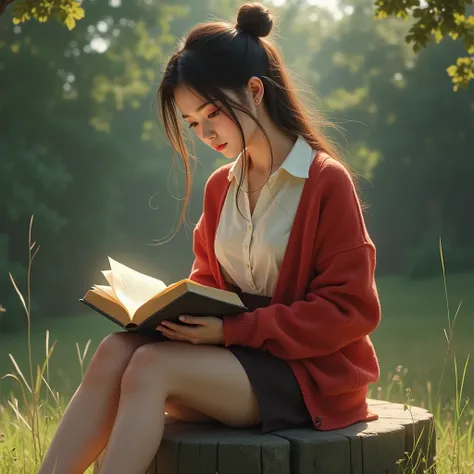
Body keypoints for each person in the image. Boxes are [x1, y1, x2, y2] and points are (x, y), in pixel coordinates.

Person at [38, 3, 381, 474]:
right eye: (192, 123)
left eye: (212, 113)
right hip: (233, 357)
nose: (205, 133)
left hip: (306, 374)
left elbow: (350, 311)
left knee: (150, 368)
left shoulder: (324, 182)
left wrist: (234, 331)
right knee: (115, 351)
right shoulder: (221, 186)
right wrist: (169, 315)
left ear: (255, 91)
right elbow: (209, 283)